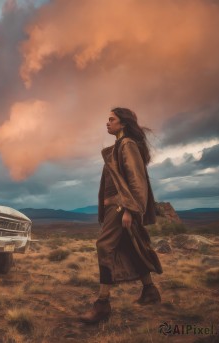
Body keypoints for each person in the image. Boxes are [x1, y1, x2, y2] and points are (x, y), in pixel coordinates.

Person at [80, 107, 163, 324]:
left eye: (112, 119)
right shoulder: (118, 146)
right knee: (130, 245)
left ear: (123, 123)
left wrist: (129, 209)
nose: (107, 123)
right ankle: (150, 291)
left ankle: (102, 304)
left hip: (120, 207)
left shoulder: (127, 145)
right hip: (115, 208)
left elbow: (137, 181)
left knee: (104, 246)